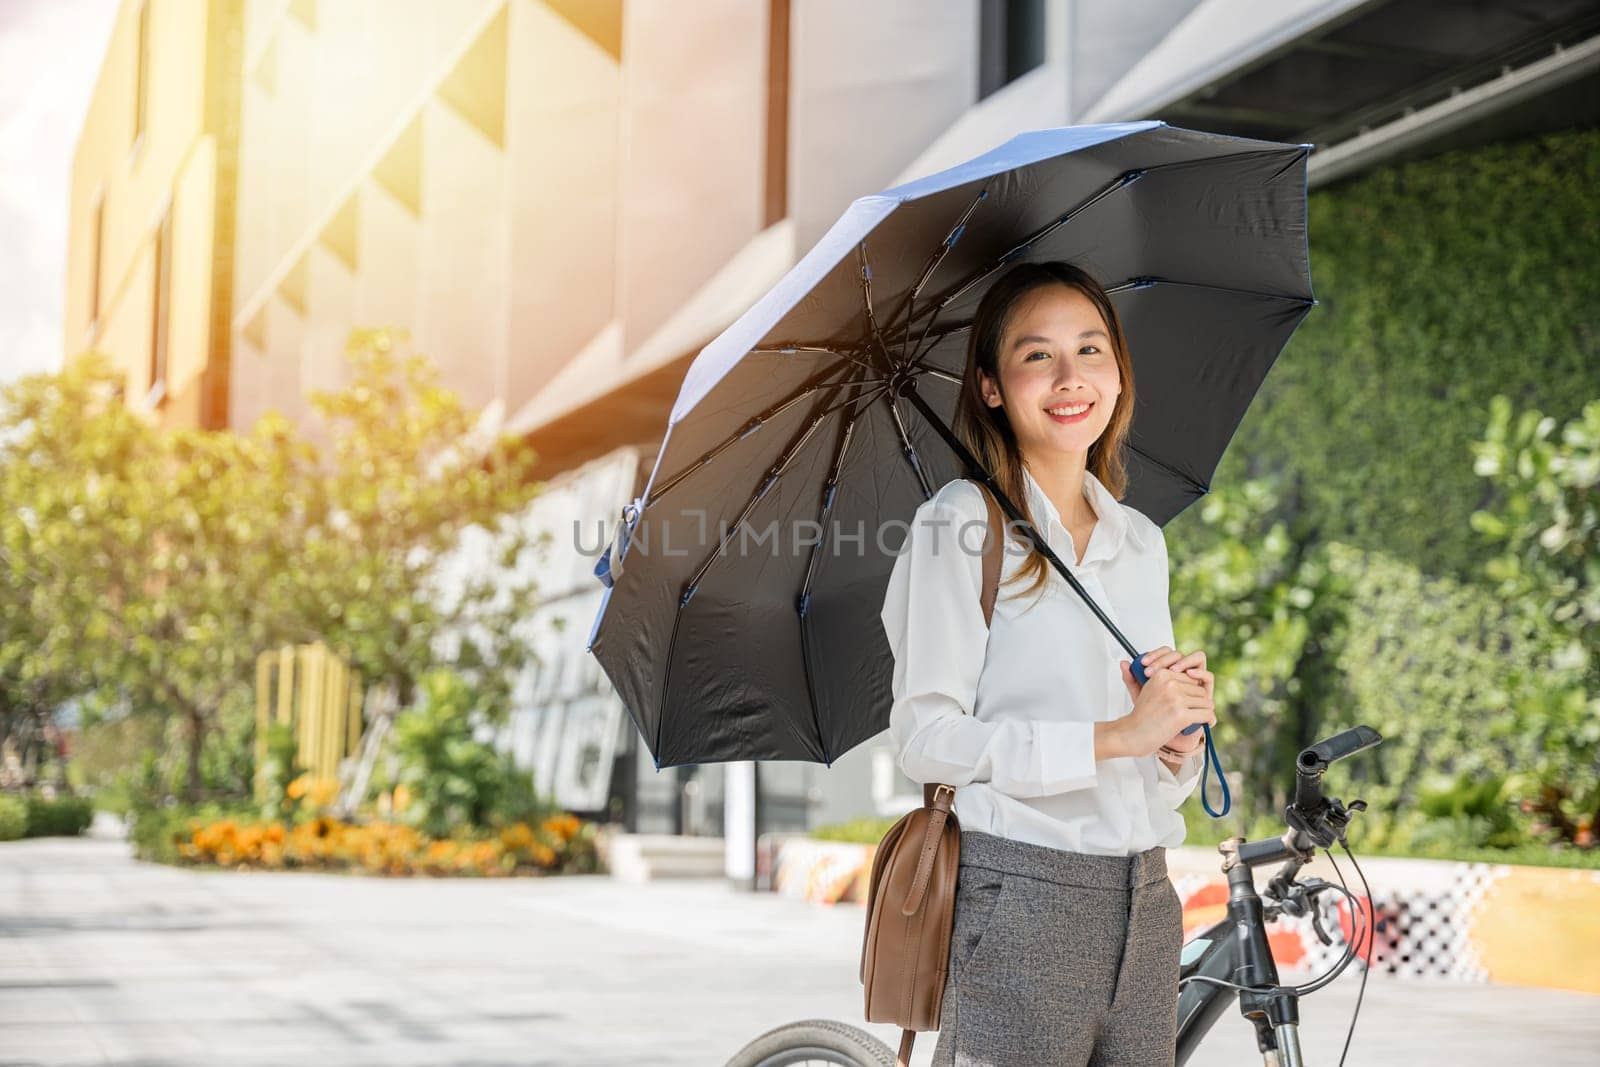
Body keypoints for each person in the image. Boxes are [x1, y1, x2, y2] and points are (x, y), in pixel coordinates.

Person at [879, 260, 1217, 1065]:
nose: (1071, 378)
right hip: (1021, 899)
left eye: (1091, 350)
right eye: (1037, 356)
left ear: (1118, 371)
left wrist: (1174, 739)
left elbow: (1151, 762)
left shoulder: (1141, 540)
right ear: (992, 387)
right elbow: (927, 740)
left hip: (1146, 899)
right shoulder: (960, 524)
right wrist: (1116, 734)